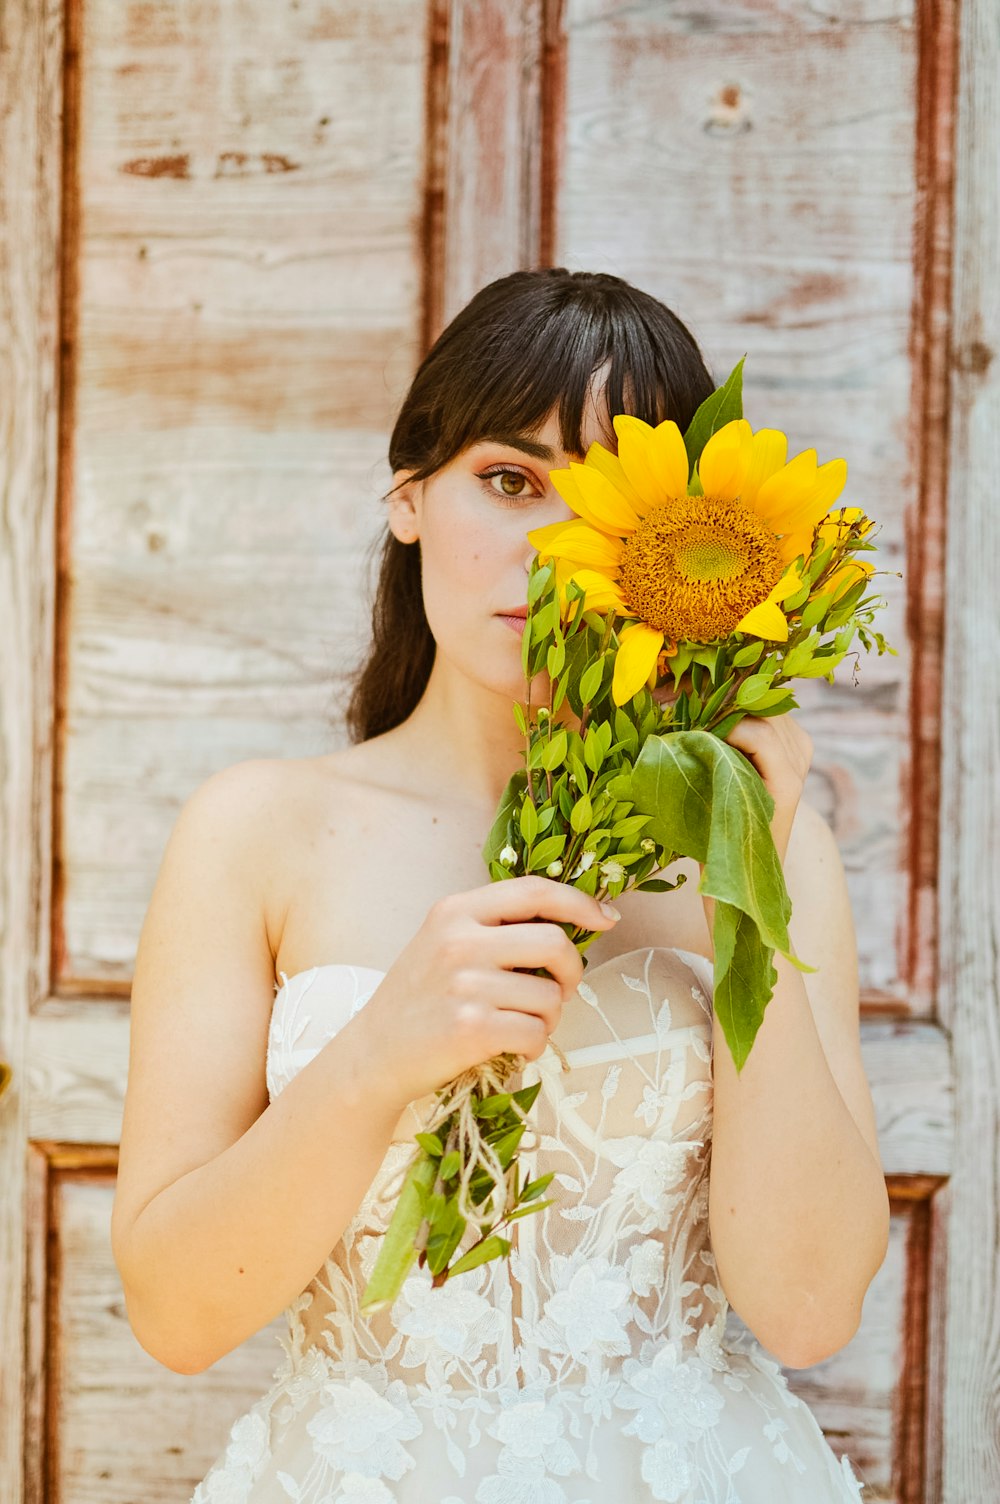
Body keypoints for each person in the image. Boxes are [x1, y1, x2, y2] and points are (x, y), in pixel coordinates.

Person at [111, 268, 884, 1502]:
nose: (556, 548)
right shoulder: (254, 831)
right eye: (510, 479)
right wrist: (380, 1050)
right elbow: (177, 1315)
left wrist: (745, 887)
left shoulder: (766, 840)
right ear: (409, 495)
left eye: (606, 503)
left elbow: (806, 1309)